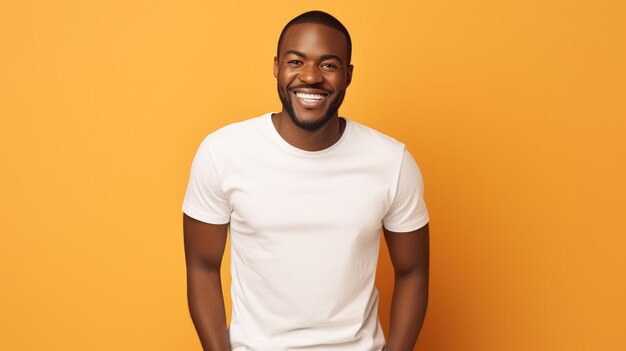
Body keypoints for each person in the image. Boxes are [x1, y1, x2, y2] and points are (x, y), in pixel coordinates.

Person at [182, 10, 429, 351]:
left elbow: (413, 272)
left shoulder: (392, 161)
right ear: (276, 67)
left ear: (348, 75)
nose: (311, 76)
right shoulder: (222, 153)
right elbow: (202, 267)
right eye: (296, 61)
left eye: (328, 65)